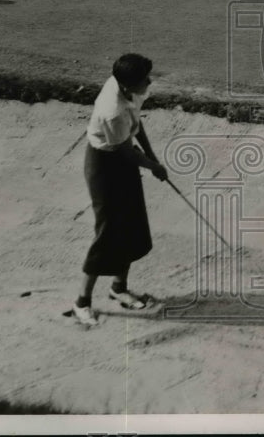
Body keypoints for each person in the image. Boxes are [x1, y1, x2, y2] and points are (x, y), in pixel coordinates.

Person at [72, 53, 169, 327]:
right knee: (107, 232)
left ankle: (118, 287)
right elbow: (125, 151)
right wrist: (153, 167)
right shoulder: (111, 109)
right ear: (127, 85)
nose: (149, 82)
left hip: (123, 156)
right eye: (144, 79)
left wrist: (152, 156)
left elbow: (136, 124)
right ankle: (82, 302)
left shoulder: (129, 89)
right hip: (104, 164)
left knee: (131, 222)